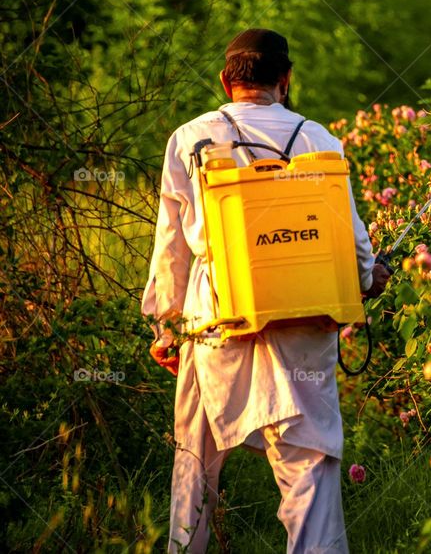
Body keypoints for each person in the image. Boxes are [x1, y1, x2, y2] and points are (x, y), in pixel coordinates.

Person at [142, 28, 390, 553]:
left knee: (195, 459)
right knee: (309, 465)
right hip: (303, 321)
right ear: (286, 79)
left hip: (215, 324)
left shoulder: (190, 139)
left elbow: (172, 247)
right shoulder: (319, 139)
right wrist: (369, 279)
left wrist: (166, 330)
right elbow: (352, 239)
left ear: (226, 80)